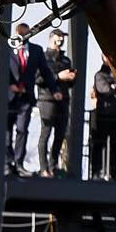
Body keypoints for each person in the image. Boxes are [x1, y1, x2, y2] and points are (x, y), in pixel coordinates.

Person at [8, 23, 56, 176]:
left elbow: (45, 72)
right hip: (9, 96)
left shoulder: (36, 50)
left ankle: (19, 162)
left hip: (26, 97)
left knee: (22, 129)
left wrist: (54, 90)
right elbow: (1, 68)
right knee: (7, 130)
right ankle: (7, 163)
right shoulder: (7, 48)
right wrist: (9, 85)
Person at [36, 29, 77, 177]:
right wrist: (58, 77)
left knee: (60, 135)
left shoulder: (66, 60)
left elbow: (70, 85)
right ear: (51, 38)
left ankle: (53, 166)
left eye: (62, 37)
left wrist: (72, 77)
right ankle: (43, 167)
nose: (60, 39)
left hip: (64, 101)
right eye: (58, 37)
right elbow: (38, 79)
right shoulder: (43, 57)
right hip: (47, 100)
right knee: (45, 133)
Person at [89, 54, 116, 181]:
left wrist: (115, 87)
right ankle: (96, 172)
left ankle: (115, 173)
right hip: (103, 115)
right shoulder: (99, 75)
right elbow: (104, 89)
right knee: (99, 144)